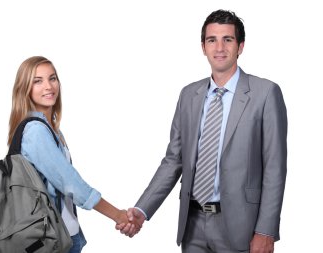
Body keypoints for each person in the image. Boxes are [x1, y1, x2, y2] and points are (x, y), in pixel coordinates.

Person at [117, 9, 287, 253]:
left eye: (227, 39)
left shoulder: (265, 94)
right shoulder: (189, 95)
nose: (219, 47)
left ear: (240, 46)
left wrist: (266, 230)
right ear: (203, 47)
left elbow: (275, 167)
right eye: (212, 40)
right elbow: (173, 161)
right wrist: (142, 210)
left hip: (243, 226)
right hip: (193, 224)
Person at [8, 56, 134, 253]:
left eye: (52, 78)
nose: (48, 86)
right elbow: (70, 184)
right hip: (51, 241)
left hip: (64, 235)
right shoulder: (35, 131)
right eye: (37, 81)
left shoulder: (52, 129)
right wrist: (118, 215)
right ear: (25, 88)